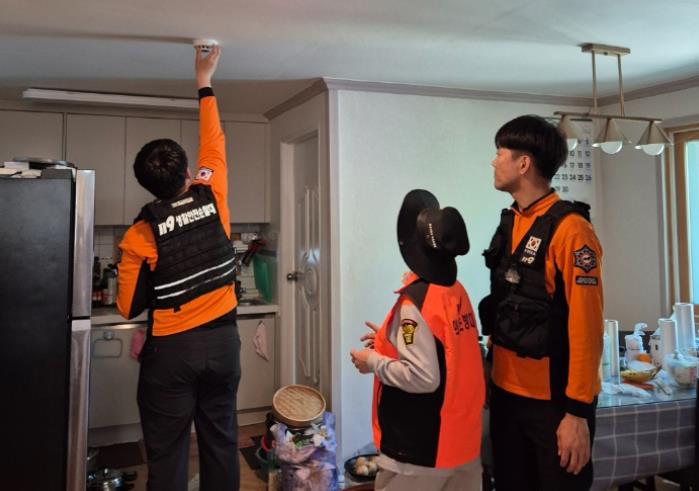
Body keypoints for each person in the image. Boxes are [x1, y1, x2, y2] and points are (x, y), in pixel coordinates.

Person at [117, 45, 241, 491]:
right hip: (223, 345)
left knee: (168, 453)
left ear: (147, 186)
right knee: (221, 442)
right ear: (189, 171)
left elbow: (127, 306)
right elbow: (214, 139)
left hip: (171, 354)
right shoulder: (213, 195)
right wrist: (204, 79)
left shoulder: (140, 234)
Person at [479, 115, 604, 490]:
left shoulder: (572, 230)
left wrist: (577, 413)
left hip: (554, 405)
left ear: (523, 163)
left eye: (500, 152)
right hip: (506, 397)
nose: (493, 161)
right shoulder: (511, 223)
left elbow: (586, 326)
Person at [350, 189, 485, 491]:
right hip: (462, 441)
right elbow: (443, 349)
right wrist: (392, 341)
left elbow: (424, 377)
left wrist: (372, 362)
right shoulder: (455, 292)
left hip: (423, 449)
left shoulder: (416, 304)